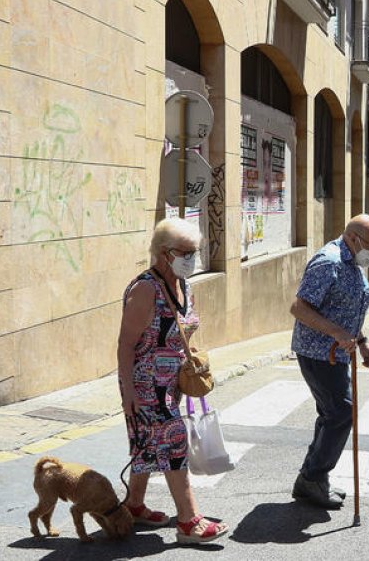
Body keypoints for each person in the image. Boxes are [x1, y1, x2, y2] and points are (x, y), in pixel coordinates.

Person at [117, 218, 229, 545]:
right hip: (146, 384)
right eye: (186, 252)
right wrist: (129, 393)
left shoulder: (184, 285)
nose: (192, 258)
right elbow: (125, 345)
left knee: (148, 445)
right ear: (164, 253)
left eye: (195, 252)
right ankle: (188, 520)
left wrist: (189, 356)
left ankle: (134, 505)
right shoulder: (144, 290)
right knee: (174, 441)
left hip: (172, 383)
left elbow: (182, 329)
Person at [289, 214, 369, 508]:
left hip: (337, 352)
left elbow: (345, 308)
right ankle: (313, 478)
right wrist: (338, 333)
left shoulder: (352, 262)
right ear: (354, 238)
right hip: (319, 352)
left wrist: (363, 343)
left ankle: (312, 479)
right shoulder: (329, 262)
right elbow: (299, 307)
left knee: (332, 414)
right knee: (342, 413)